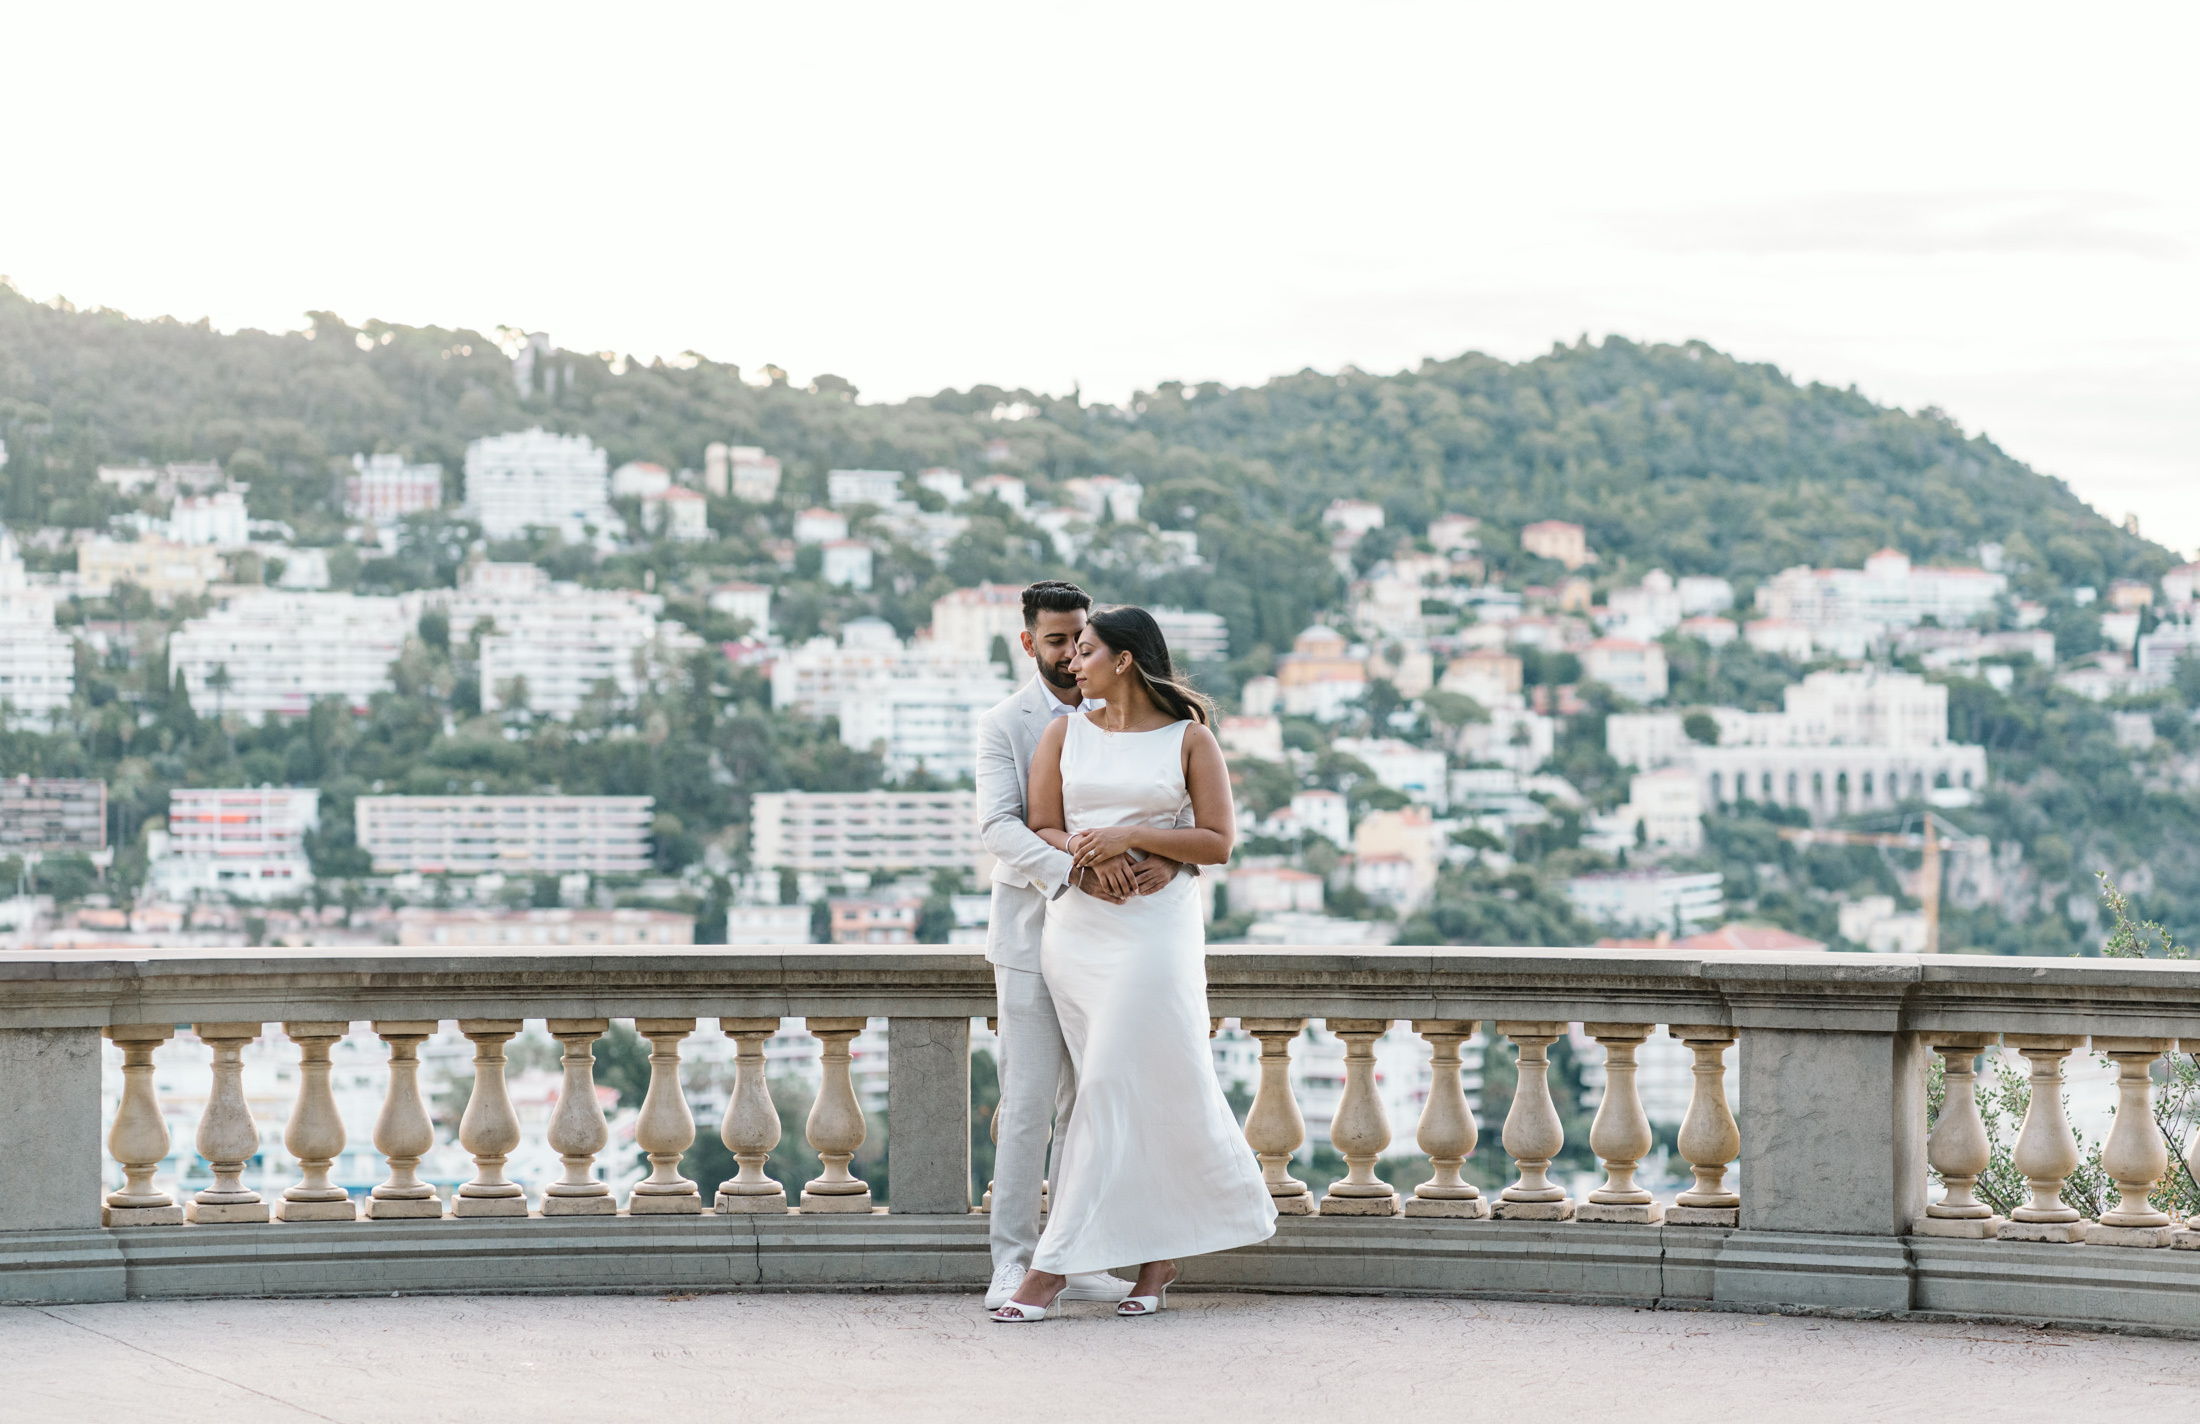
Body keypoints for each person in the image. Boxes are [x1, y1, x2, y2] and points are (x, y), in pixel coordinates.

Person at [992, 604, 1276, 1322]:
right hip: (1080, 932)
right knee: (1135, 1088)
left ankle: (1050, 1270)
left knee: (1114, 1082)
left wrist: (1139, 841)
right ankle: (1156, 1261)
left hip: (1157, 930)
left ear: (1121, 660)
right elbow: (1042, 826)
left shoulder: (1191, 739)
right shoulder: (1062, 733)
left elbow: (1216, 842)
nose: (1071, 663)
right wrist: (1090, 859)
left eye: (1083, 651)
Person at [974, 581, 1188, 1311]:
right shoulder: (1007, 723)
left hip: (1120, 940)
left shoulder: (1131, 717)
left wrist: (1172, 861)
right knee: (1029, 1105)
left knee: (1093, 1105)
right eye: (1057, 641)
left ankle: (1077, 1249)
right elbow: (1001, 825)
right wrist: (1077, 870)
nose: (1071, 654)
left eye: (1080, 639)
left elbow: (1168, 809)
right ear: (1029, 642)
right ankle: (1013, 1260)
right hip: (1036, 934)